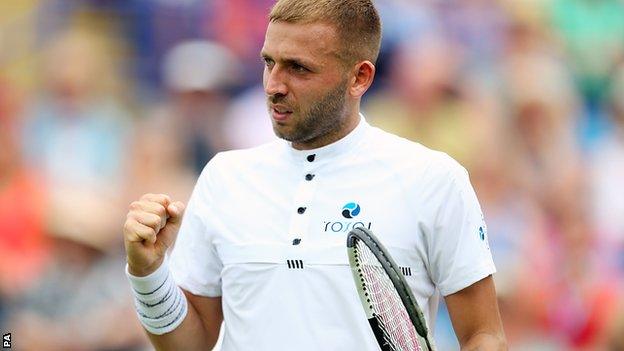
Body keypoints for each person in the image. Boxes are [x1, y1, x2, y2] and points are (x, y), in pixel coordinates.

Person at [122, 1, 507, 350]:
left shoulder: (433, 179)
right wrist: (149, 273)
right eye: (269, 62)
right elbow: (189, 346)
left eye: (298, 68)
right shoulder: (224, 177)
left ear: (360, 78)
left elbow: (483, 335)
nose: (274, 86)